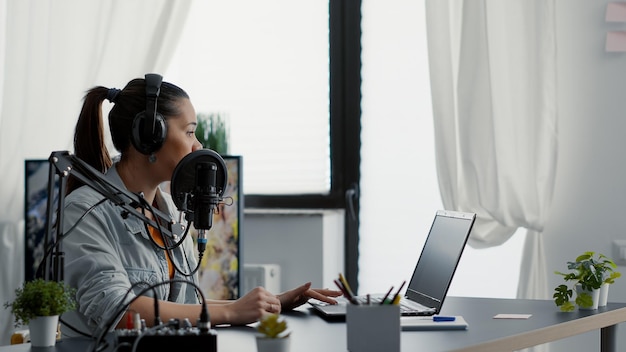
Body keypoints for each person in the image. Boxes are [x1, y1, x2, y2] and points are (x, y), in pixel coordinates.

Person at [60, 74, 340, 337]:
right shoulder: (86, 212)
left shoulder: (167, 210)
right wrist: (232, 311)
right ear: (149, 136)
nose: (198, 145)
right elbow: (118, 310)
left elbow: (187, 304)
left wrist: (269, 302)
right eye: (190, 132)